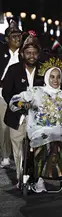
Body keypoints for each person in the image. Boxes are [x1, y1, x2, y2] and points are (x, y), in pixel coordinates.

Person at [9, 59, 62, 193]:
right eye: (52, 77)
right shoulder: (36, 91)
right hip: (38, 129)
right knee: (46, 139)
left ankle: (53, 173)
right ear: (47, 77)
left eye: (58, 77)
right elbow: (15, 101)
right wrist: (23, 104)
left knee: (56, 139)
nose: (55, 80)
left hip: (58, 131)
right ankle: (39, 178)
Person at [2, 33, 44, 186]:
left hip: (39, 117)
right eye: (28, 53)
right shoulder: (14, 69)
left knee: (39, 148)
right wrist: (18, 105)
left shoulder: (44, 69)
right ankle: (22, 179)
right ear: (22, 54)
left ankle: (38, 178)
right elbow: (6, 92)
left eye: (34, 53)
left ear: (38, 54)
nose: (31, 56)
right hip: (17, 117)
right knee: (18, 147)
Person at [0, 20, 22, 168]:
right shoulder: (1, 52)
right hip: (2, 94)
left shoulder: (25, 53)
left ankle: (20, 155)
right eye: (13, 35)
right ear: (6, 39)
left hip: (21, 95)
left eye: (19, 35)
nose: (17, 38)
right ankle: (5, 155)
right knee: (3, 127)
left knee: (19, 127)